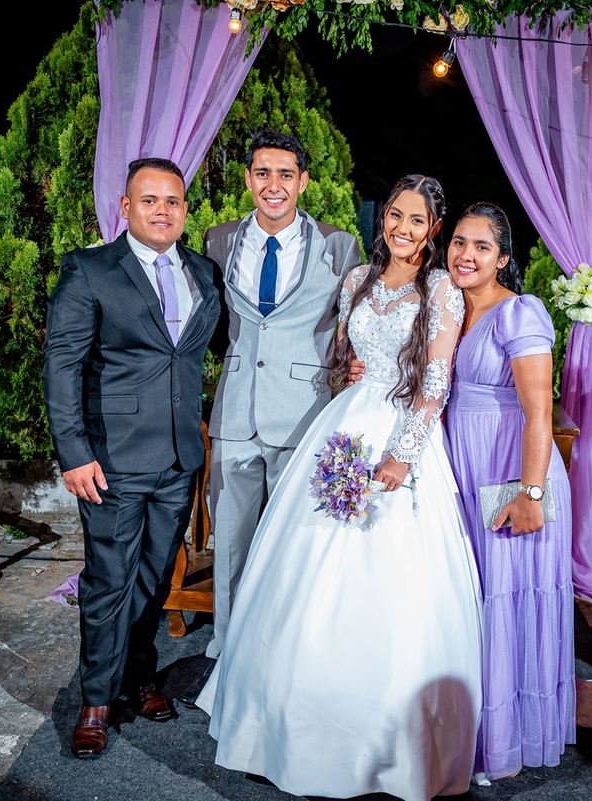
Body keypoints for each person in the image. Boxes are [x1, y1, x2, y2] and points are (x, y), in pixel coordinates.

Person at [197, 175, 482, 801]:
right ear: (384, 219)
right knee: (304, 561)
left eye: (416, 220)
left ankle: (382, 741)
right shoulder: (357, 281)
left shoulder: (440, 288)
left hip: (402, 433)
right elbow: (343, 356)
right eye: (395, 215)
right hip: (345, 423)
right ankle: (282, 719)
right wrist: (347, 373)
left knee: (389, 573)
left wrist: (402, 456)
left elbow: (436, 381)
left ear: (433, 229)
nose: (402, 228)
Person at [43, 157, 222, 758]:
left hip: (178, 457)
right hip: (111, 460)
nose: (162, 211)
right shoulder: (90, 270)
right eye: (149, 200)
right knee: (108, 580)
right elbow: (62, 366)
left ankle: (139, 677)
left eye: (172, 201)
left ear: (184, 209)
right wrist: (73, 453)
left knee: (154, 576)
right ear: (126, 207)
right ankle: (96, 700)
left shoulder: (202, 272)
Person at [197, 129, 361, 672]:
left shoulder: (338, 245)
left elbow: (354, 323)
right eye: (263, 173)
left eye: (285, 174)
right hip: (234, 414)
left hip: (304, 413)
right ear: (248, 179)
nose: (274, 185)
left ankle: (289, 655)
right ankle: (228, 652)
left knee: (296, 542)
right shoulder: (218, 240)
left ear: (303, 181)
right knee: (231, 544)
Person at [443, 203, 576, 781]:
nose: (466, 255)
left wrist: (531, 494)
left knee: (506, 599)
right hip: (462, 469)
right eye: (459, 242)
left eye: (482, 246)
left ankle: (503, 742)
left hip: (509, 472)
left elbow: (539, 412)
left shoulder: (519, 313)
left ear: (502, 258)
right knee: (470, 599)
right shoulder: (449, 307)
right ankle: (467, 732)